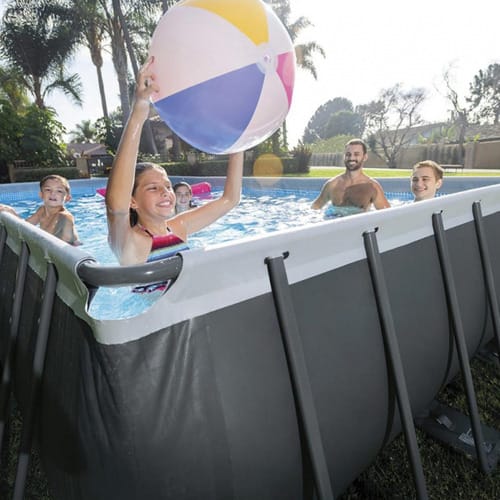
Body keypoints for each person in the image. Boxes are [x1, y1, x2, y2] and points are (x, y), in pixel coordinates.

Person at [105, 57, 244, 266]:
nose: (165, 192)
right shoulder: (129, 243)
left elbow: (230, 199)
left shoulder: (179, 227)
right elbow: (116, 206)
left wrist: (239, 142)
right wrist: (139, 112)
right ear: (132, 201)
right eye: (153, 188)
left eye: (168, 186)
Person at [311, 138, 390, 212]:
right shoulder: (332, 185)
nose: (351, 158)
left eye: (356, 154)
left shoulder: (372, 187)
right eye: (348, 154)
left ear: (365, 157)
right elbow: (314, 209)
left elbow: (387, 214)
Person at [0, 174, 81, 246]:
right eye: (48, 190)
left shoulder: (64, 216)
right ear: (41, 194)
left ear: (67, 198)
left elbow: (46, 239)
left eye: (59, 191)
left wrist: (13, 214)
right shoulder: (42, 210)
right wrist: (11, 212)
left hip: (71, 251)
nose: (53, 193)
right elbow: (26, 225)